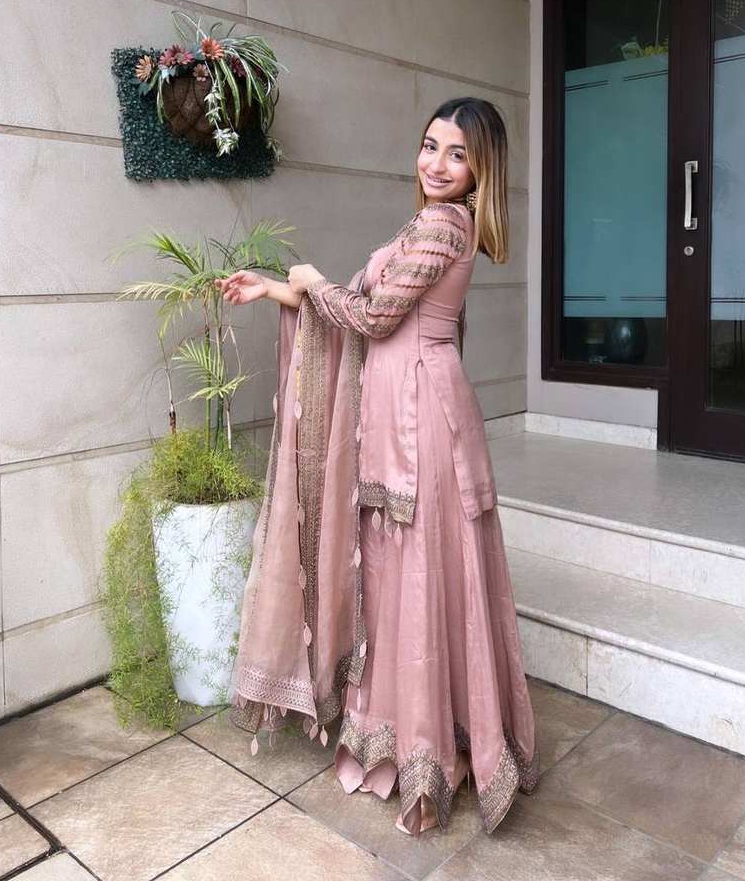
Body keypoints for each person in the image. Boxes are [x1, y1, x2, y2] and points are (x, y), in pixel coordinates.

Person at [215, 97, 540, 836]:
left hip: (422, 420)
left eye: (458, 154)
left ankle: (427, 755)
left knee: (420, 574)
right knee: (402, 576)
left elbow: (370, 318)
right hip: (403, 409)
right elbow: (363, 303)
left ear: (482, 170)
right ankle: (414, 734)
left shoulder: (444, 225)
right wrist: (277, 288)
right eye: (430, 145)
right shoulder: (425, 224)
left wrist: (309, 278)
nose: (437, 163)